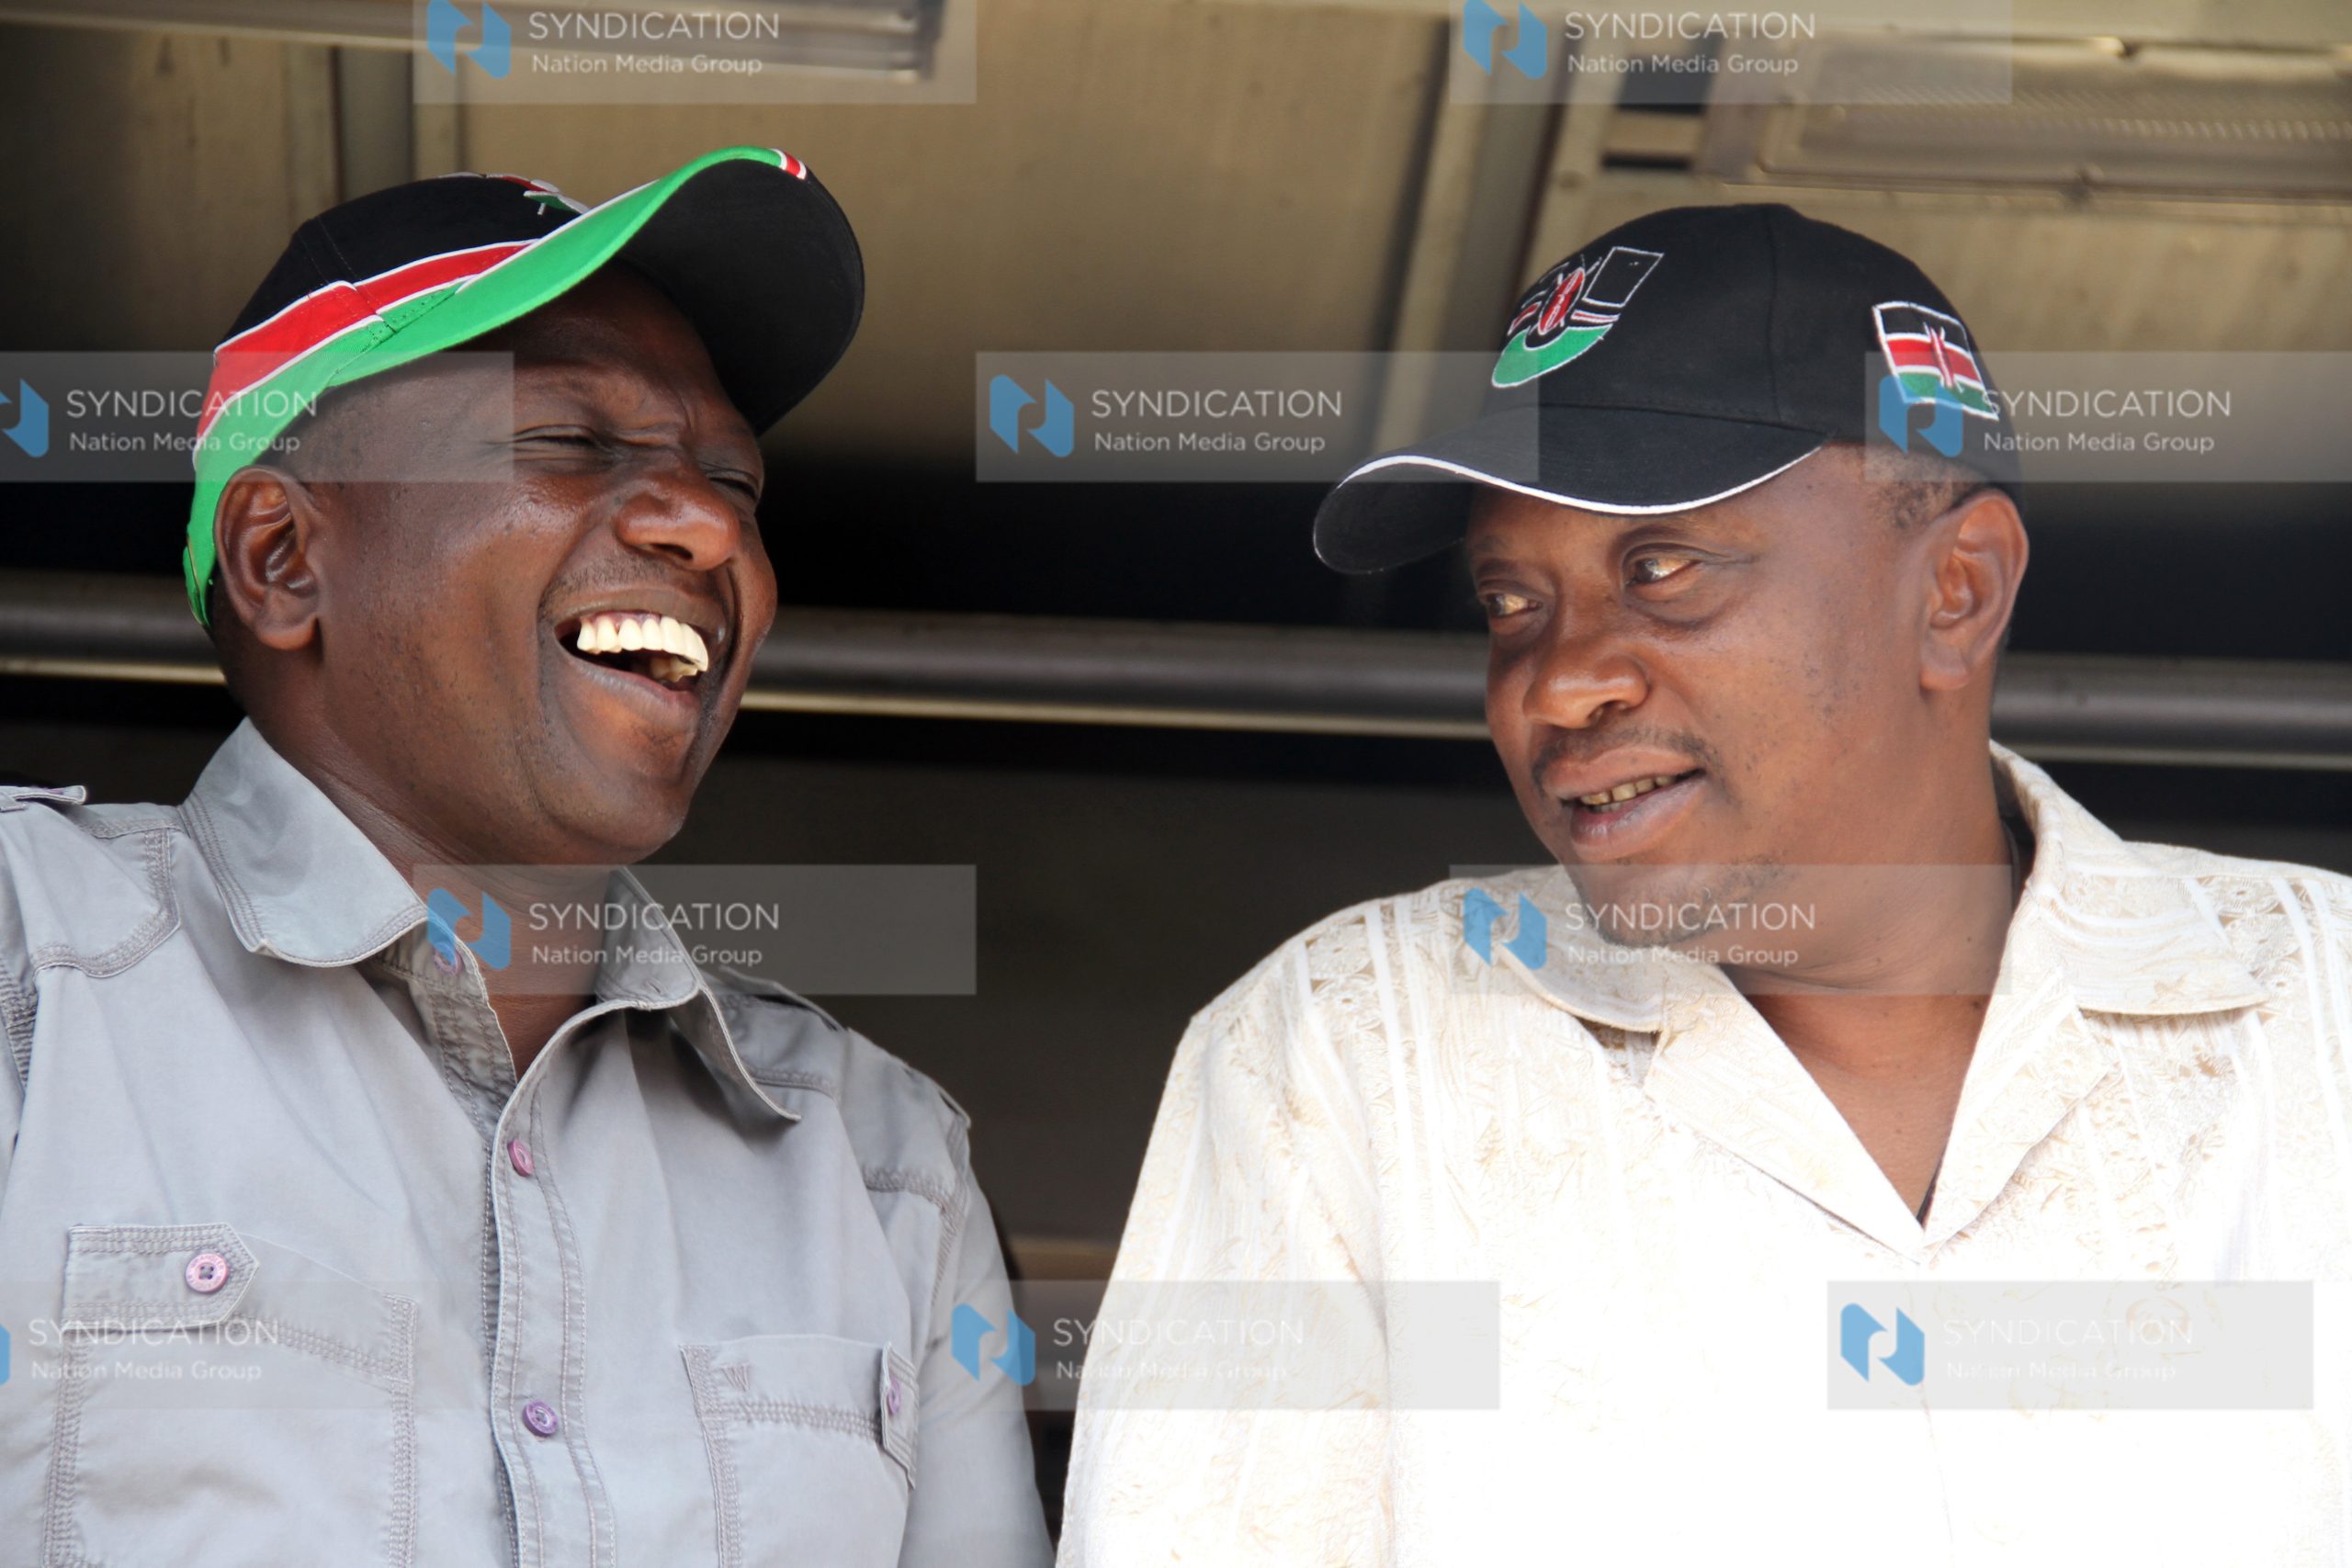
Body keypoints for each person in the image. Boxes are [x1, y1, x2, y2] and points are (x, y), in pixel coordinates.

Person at [1060, 205, 2351, 1562]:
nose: (1562, 682)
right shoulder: (1353, 1049)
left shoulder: (2320, 1013)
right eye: (1509, 602)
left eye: (1663, 570)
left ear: (1957, 592)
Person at [0, 148, 1050, 1567]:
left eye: (732, 477)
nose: (709, 525)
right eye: (568, 442)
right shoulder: (32, 966)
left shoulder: (878, 1166)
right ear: (283, 559)